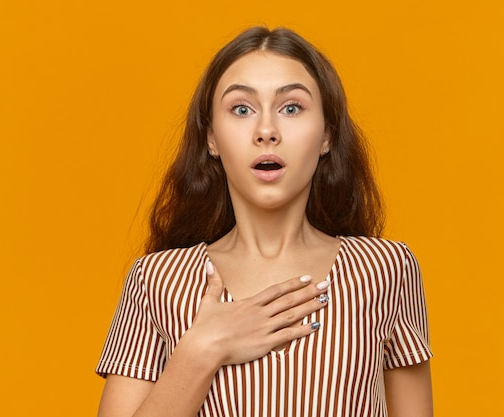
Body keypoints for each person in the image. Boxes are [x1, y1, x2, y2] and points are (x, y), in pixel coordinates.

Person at [96, 26, 433, 417]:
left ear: (326, 135)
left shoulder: (384, 269)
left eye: (291, 107)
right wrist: (203, 349)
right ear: (212, 139)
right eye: (242, 109)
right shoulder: (157, 279)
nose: (267, 131)